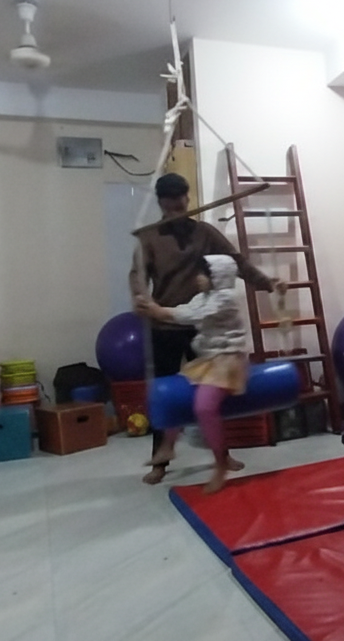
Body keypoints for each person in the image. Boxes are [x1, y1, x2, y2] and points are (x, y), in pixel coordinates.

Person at [130, 172, 285, 485]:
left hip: (204, 329)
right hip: (165, 326)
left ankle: (222, 456)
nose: (176, 208)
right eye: (169, 203)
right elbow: (138, 275)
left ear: (187, 199)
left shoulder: (205, 233)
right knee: (165, 395)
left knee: (213, 395)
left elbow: (237, 263)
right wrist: (141, 298)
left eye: (180, 202)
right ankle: (161, 460)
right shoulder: (149, 237)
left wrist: (268, 283)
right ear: (161, 203)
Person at [134, 255, 249, 493]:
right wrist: (154, 310)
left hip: (228, 361)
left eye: (203, 274)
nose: (197, 278)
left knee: (205, 408)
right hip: (210, 359)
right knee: (179, 397)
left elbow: (193, 316)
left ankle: (220, 464)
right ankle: (168, 446)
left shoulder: (225, 298)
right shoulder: (202, 297)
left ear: (217, 277)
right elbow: (185, 309)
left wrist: (157, 311)